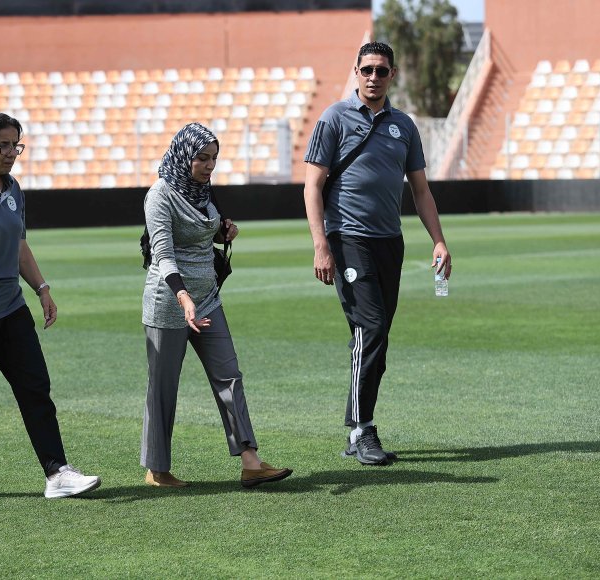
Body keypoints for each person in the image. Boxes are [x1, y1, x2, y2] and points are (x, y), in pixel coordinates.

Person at [0, 111, 100, 501]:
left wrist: (41, 288)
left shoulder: (13, 189)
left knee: (35, 389)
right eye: (3, 145)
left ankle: (57, 474)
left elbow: (19, 246)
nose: (11, 153)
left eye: (15, 145)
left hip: (11, 308)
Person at [303, 42, 452, 466]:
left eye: (381, 71)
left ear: (393, 74)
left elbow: (420, 190)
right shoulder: (333, 118)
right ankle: (361, 428)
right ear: (355, 71)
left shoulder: (404, 126)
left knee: (377, 338)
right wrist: (321, 245)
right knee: (370, 328)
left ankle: (359, 426)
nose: (373, 77)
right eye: (366, 69)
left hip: (391, 242)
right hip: (348, 239)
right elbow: (312, 187)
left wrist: (438, 240)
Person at [141, 122, 292, 488]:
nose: (209, 166)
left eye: (213, 159)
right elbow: (162, 254)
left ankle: (251, 461)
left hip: (208, 299)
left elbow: (204, 232)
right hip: (169, 303)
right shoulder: (160, 195)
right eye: (202, 158)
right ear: (183, 155)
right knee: (164, 387)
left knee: (229, 376)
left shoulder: (203, 191)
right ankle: (157, 470)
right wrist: (182, 298)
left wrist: (224, 231)